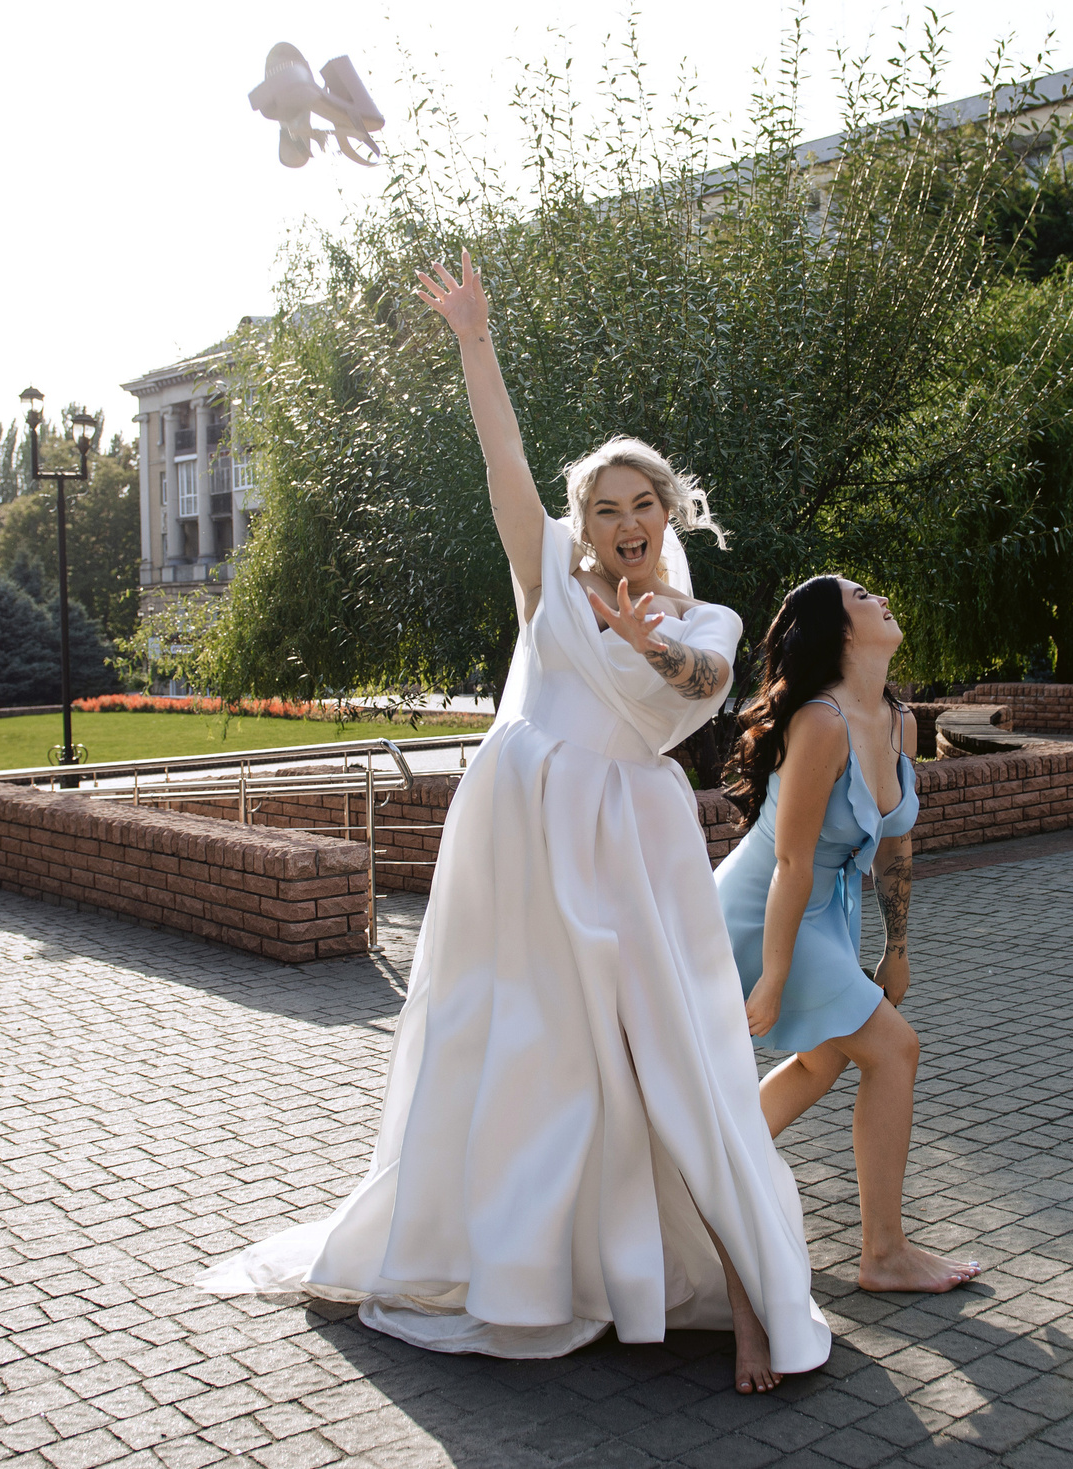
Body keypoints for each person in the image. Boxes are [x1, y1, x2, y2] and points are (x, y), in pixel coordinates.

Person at [201, 252, 831, 1393]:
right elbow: (501, 457)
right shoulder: (547, 574)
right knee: (526, 1056)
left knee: (675, 1061)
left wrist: (650, 643)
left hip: (632, 848)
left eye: (644, 504)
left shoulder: (714, 615)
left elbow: (698, 685)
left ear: (668, 514)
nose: (626, 521)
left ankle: (747, 1301)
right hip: (521, 834)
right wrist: (474, 342)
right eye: (605, 506)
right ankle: (524, 1269)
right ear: (585, 522)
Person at [714, 576, 981, 1294]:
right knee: (895, 1050)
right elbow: (794, 859)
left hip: (824, 911)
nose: (881, 596)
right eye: (860, 594)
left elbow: (896, 845)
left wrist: (896, 948)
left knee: (823, 1062)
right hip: (764, 906)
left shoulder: (900, 721)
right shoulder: (822, 722)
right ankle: (883, 1254)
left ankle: (702, 1176)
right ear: (835, 628)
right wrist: (772, 973)